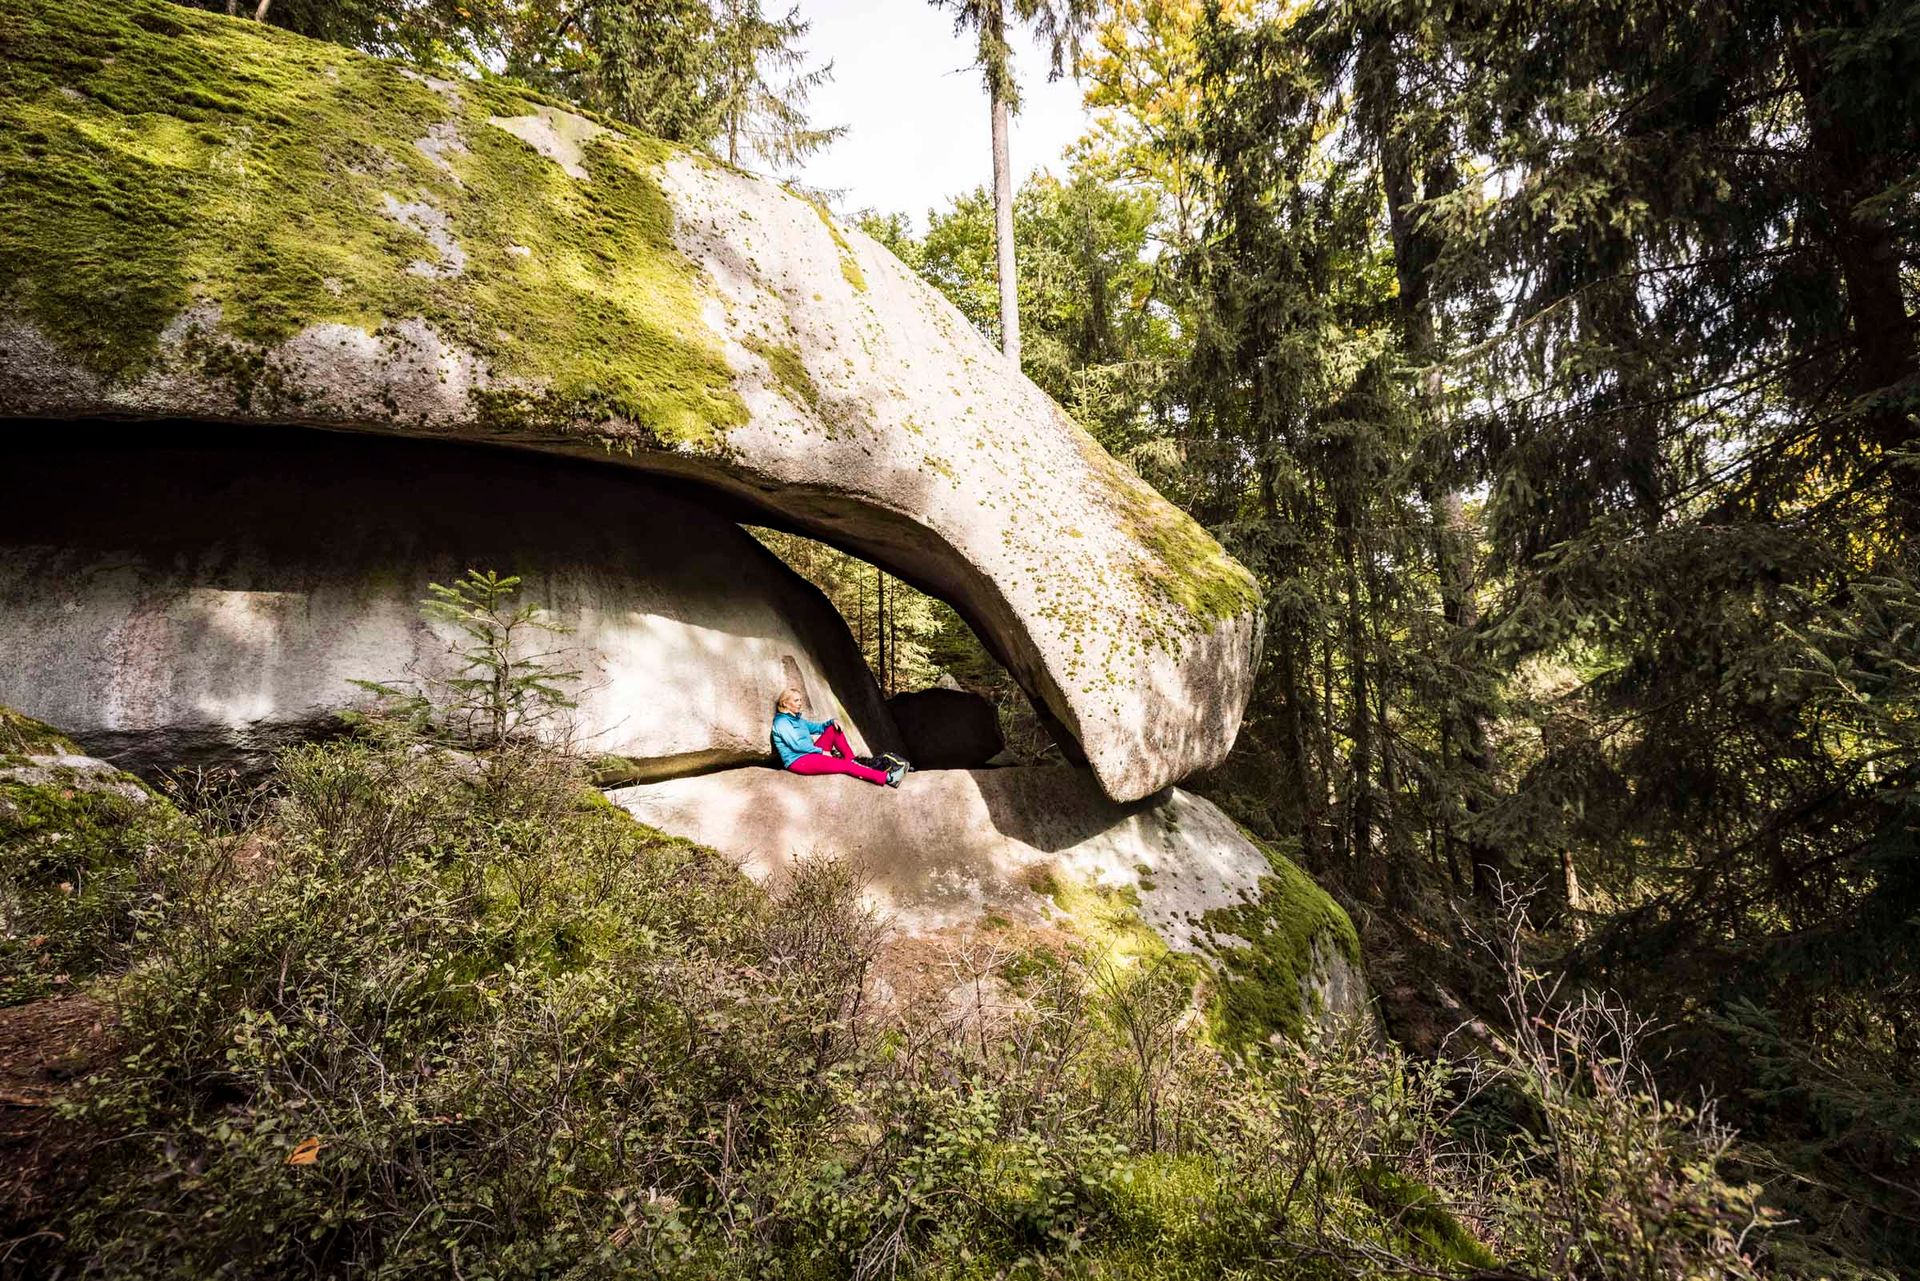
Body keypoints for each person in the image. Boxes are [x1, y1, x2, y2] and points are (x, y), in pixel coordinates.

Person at [771, 689, 904, 787]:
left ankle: (853, 760)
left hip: (810, 753)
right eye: (796, 700)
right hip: (799, 760)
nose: (800, 703)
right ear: (785, 703)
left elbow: (818, 728)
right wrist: (821, 752)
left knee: (833, 729)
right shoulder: (782, 722)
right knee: (844, 766)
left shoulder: (797, 719)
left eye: (800, 700)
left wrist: (831, 721)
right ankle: (887, 778)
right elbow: (797, 746)